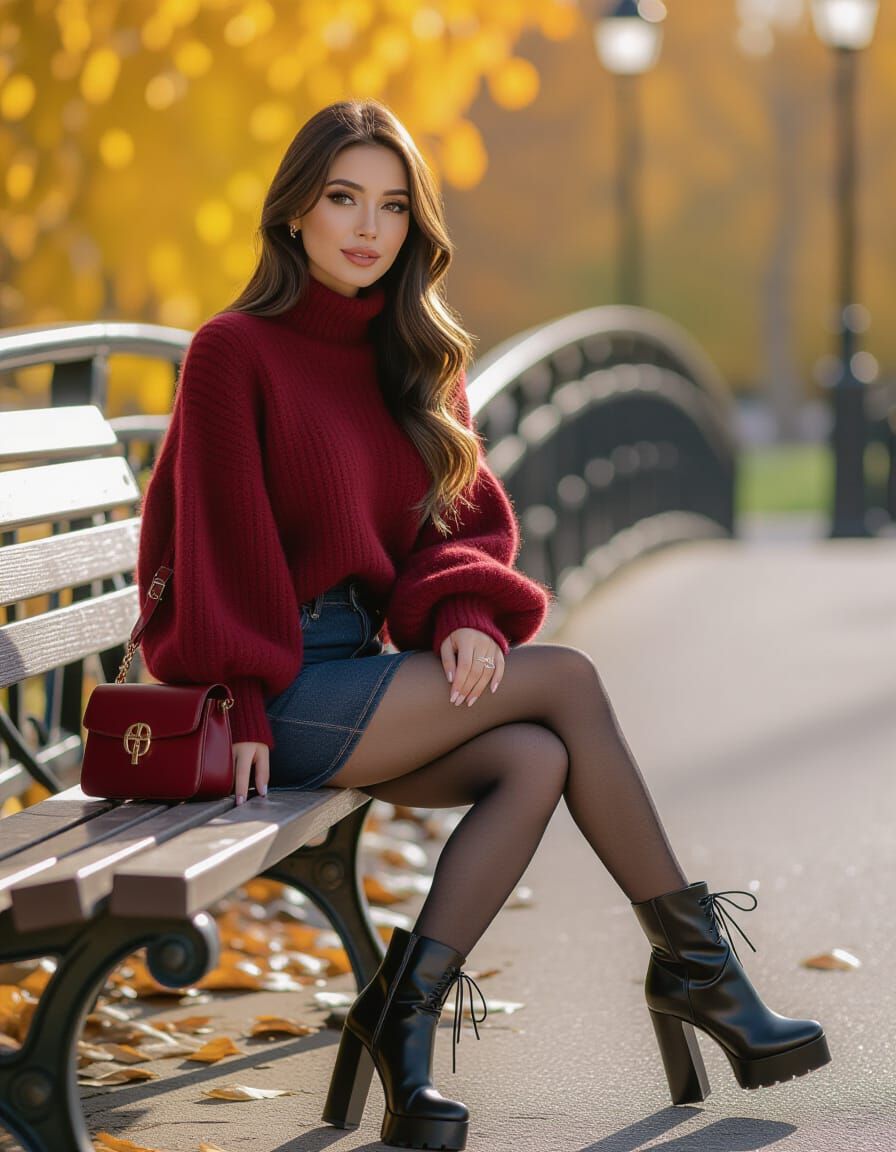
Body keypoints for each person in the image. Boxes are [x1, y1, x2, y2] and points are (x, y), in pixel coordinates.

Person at [137, 98, 830, 1151]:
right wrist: (236, 696)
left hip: (368, 683)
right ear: (293, 214)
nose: (367, 228)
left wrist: (463, 610)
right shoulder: (235, 352)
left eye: (391, 206)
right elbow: (207, 549)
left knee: (532, 755)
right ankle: (699, 975)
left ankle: (397, 1025)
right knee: (566, 682)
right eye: (341, 200)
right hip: (272, 692)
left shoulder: (418, 355)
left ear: (416, 226)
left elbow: (458, 525)